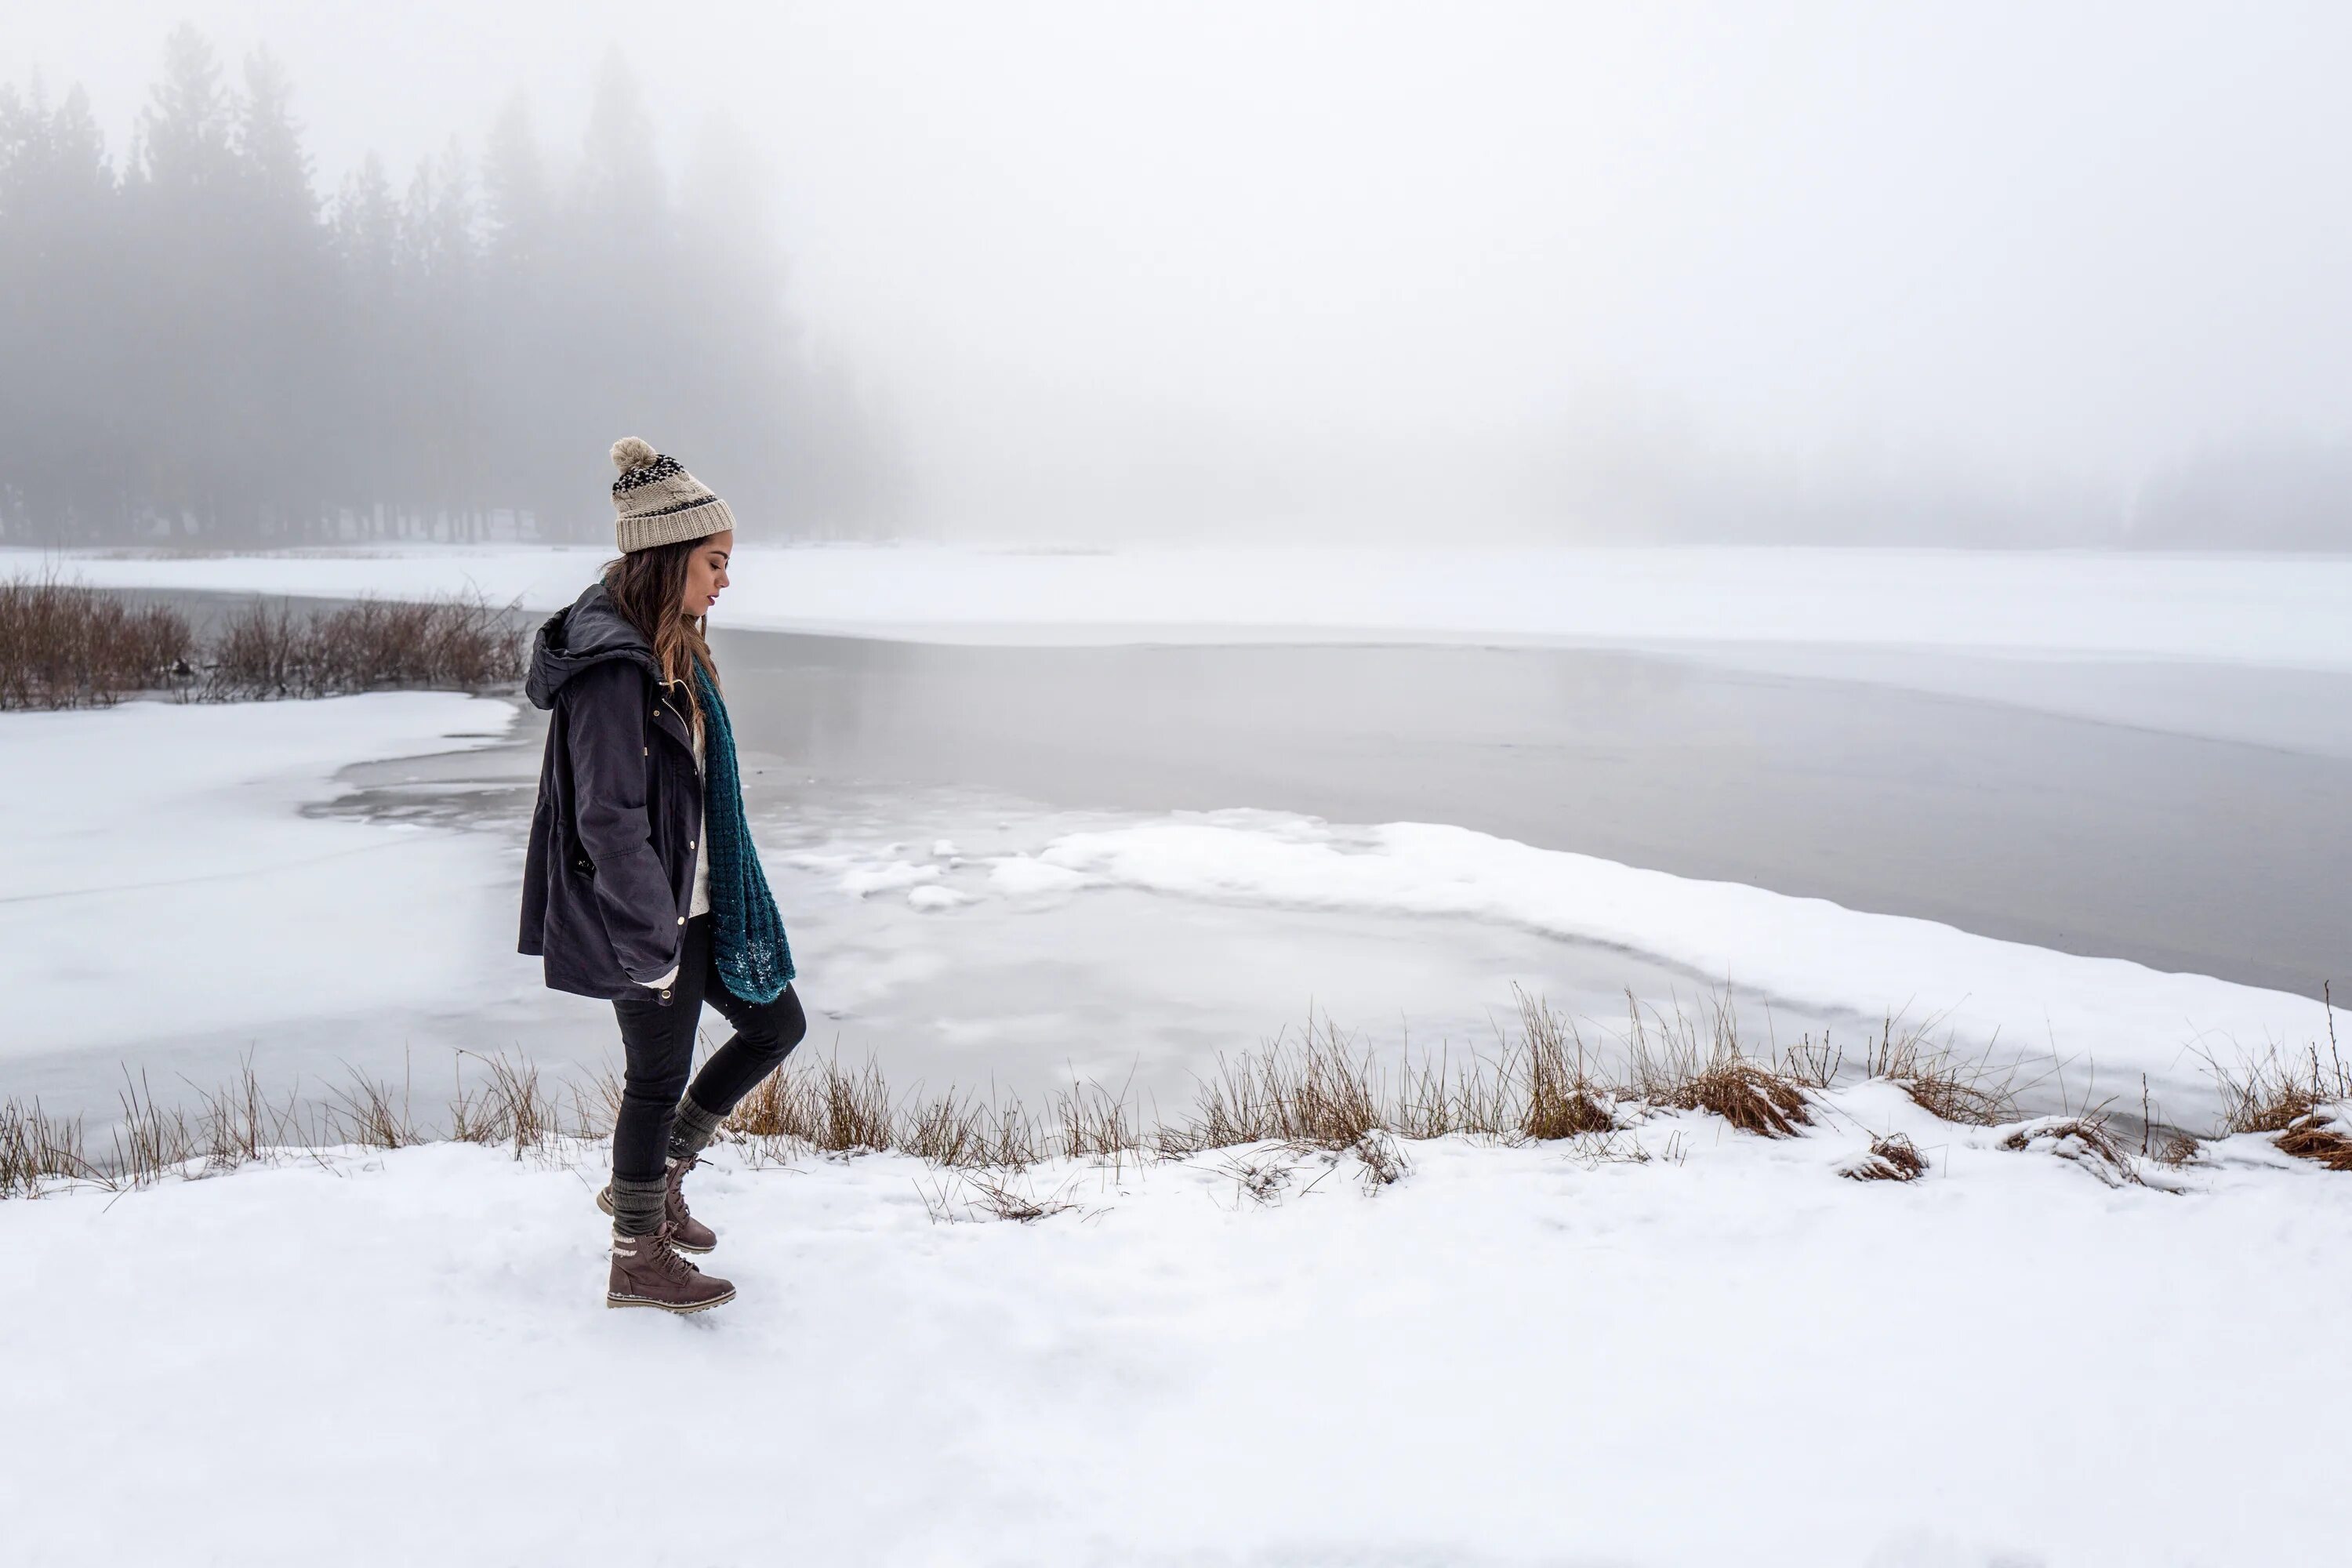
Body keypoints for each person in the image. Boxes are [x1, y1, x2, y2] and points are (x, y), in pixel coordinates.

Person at [518, 437, 805, 1314]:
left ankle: (658, 1180)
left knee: (774, 1024)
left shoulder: (667, 645)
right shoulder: (615, 667)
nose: (725, 581)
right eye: (715, 562)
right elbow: (609, 817)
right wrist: (653, 938)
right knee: (656, 1076)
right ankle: (636, 1253)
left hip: (698, 901)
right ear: (671, 554)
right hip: (649, 917)